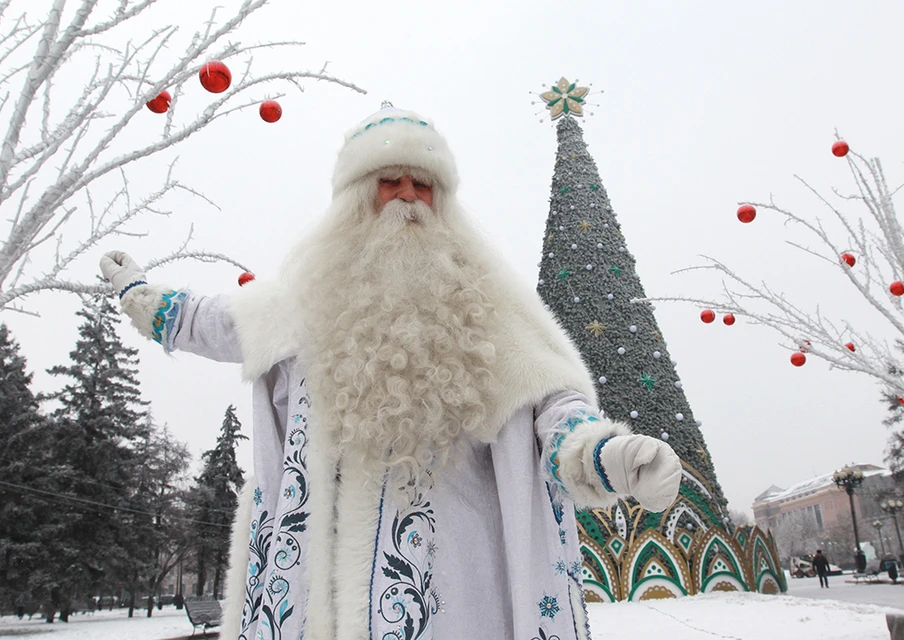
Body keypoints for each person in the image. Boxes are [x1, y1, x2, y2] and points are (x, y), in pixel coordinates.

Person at [99, 107, 683, 640]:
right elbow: (217, 322)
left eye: (422, 183)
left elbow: (551, 407)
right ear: (358, 196)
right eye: (390, 181)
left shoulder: (489, 309)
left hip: (457, 599)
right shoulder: (305, 304)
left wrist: (606, 454)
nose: (409, 196)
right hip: (320, 594)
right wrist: (141, 297)